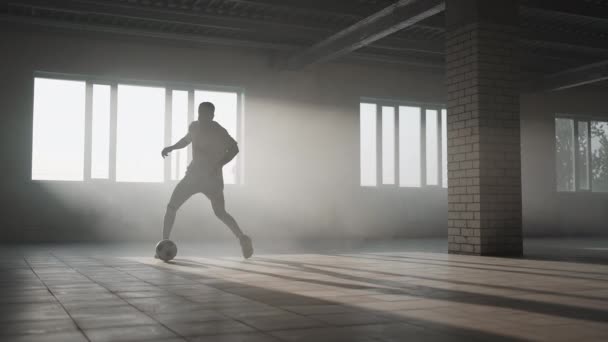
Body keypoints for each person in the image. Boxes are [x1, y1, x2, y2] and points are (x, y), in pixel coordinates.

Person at [159, 102, 253, 259]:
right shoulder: (194, 126)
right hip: (193, 176)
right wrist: (171, 147)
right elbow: (186, 140)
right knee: (171, 207)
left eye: (205, 114)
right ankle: (163, 243)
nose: (201, 117)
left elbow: (235, 148)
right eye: (199, 113)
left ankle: (243, 239)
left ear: (212, 115)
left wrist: (219, 164)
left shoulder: (218, 130)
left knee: (220, 212)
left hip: (211, 179)